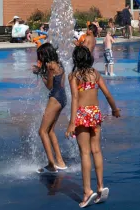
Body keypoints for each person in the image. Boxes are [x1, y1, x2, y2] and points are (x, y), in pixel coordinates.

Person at [66, 46, 121, 208]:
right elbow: (107, 94)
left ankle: (87, 191)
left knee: (84, 152)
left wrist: (71, 122)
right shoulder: (95, 74)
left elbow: (75, 99)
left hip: (82, 115)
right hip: (95, 113)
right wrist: (114, 109)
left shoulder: (73, 76)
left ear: (75, 59)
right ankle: (100, 186)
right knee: (96, 150)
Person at [33, 43, 68, 174]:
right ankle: (60, 162)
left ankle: (51, 164)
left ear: (45, 54)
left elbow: (49, 86)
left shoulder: (50, 66)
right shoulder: (59, 63)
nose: (40, 57)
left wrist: (40, 74)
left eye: (41, 55)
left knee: (42, 132)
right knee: (51, 131)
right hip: (63, 97)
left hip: (55, 98)